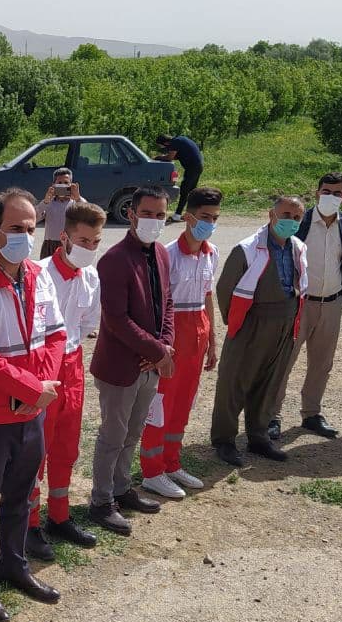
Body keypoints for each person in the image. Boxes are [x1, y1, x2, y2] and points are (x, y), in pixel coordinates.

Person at [0, 187, 67, 622]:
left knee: (21, 497)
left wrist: (41, 389)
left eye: (30, 227)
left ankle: (13, 563)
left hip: (32, 412)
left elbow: (58, 335)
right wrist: (30, 388)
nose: (25, 236)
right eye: (15, 229)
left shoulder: (39, 275)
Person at [87, 186, 175, 537]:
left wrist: (164, 346)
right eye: (148, 213)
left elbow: (167, 305)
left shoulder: (162, 255)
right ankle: (101, 500)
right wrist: (157, 351)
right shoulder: (114, 259)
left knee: (134, 430)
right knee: (113, 434)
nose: (154, 221)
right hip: (120, 367)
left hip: (149, 363)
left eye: (160, 215)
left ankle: (122, 487)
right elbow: (116, 319)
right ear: (131, 214)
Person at [26, 201, 104, 559]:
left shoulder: (91, 276)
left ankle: (59, 515)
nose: (88, 248)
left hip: (72, 365)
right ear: (64, 237)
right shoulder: (38, 274)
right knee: (36, 451)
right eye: (82, 240)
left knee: (67, 447)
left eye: (95, 242)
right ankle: (28, 524)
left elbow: (88, 323)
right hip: (42, 367)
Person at [210, 195, 308, 466]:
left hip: (286, 322)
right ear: (271, 215)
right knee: (235, 382)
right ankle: (224, 440)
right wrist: (239, 323)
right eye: (285, 215)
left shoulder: (298, 247)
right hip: (253, 322)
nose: (290, 221)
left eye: (297, 217)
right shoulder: (248, 249)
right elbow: (225, 289)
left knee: (270, 381)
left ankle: (258, 435)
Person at [139, 187, 221, 499]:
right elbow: (156, 304)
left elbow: (208, 297)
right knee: (161, 406)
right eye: (204, 217)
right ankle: (151, 471)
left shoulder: (211, 253)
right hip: (173, 336)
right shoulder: (167, 254)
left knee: (184, 404)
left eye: (214, 218)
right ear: (187, 217)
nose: (209, 223)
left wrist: (212, 340)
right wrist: (159, 347)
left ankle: (172, 462)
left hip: (197, 336)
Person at [270, 171, 342, 441]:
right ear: (317, 192)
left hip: (331, 303)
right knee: (285, 360)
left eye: (337, 192)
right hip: (300, 304)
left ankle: (311, 413)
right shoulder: (301, 221)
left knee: (322, 364)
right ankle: (272, 416)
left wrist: (341, 295)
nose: (330, 196)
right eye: (326, 191)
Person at [154, 133, 203, 223]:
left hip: (192, 168)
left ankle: (177, 215)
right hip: (197, 166)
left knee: (184, 191)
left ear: (166, 143)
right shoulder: (180, 139)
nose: (165, 149)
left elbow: (170, 157)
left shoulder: (175, 142)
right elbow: (178, 156)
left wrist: (157, 157)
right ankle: (193, 214)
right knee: (192, 192)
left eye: (162, 146)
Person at [37, 167, 83, 258]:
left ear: (71, 185)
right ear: (53, 185)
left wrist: (78, 198)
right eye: (60, 183)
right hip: (50, 245)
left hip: (69, 244)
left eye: (66, 183)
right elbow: (35, 217)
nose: (63, 186)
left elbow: (88, 213)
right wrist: (45, 202)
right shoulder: (48, 203)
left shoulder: (75, 203)